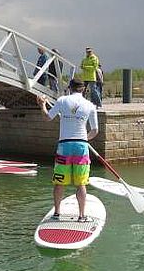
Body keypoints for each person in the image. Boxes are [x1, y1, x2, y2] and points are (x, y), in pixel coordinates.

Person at [36, 78, 98, 222]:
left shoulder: (62, 101)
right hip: (81, 146)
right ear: (83, 89)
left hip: (64, 146)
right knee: (81, 183)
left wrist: (42, 105)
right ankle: (82, 216)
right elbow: (95, 131)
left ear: (70, 87)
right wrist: (84, 140)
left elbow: (47, 117)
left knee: (60, 182)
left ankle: (57, 213)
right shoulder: (90, 105)